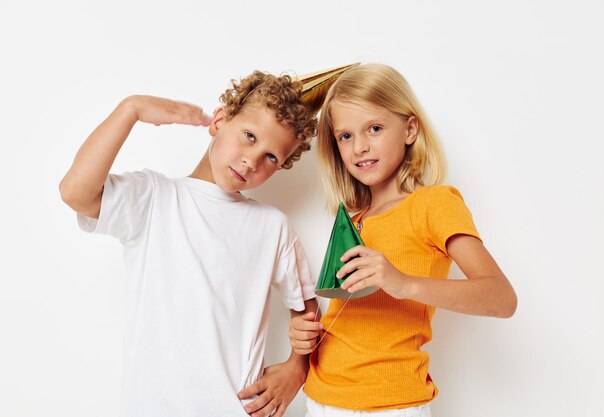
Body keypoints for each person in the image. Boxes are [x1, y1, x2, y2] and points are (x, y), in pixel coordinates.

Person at [59, 70, 321, 417]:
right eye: (248, 136)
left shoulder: (272, 228)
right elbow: (75, 192)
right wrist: (130, 109)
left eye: (272, 157)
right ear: (220, 120)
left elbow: (307, 310)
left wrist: (297, 368)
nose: (252, 159)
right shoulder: (154, 198)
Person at [288, 64, 518, 417]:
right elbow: (351, 320)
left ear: (410, 129)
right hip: (320, 399)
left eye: (374, 129)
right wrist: (308, 337)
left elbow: (501, 299)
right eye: (345, 136)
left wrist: (402, 283)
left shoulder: (433, 204)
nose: (359, 147)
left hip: (391, 404)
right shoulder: (354, 217)